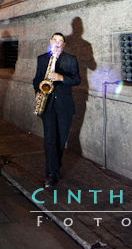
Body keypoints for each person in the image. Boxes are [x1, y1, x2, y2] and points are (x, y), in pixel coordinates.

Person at [33, 32, 80, 189]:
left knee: (61, 140)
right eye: (55, 40)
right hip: (47, 106)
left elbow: (76, 79)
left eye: (61, 41)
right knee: (50, 140)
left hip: (64, 106)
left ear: (64, 44)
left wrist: (61, 78)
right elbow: (36, 79)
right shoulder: (42, 59)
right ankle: (51, 174)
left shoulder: (70, 59)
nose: (58, 42)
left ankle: (55, 165)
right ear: (50, 41)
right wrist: (38, 92)